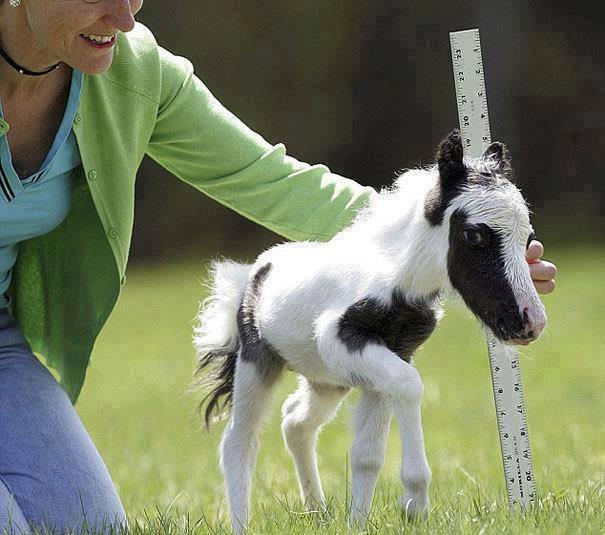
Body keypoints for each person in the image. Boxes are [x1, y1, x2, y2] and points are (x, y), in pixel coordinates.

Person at [0, 0, 557, 532]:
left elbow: (278, 184)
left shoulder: (134, 73)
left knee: (86, 526)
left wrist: (452, 246)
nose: (125, 18)